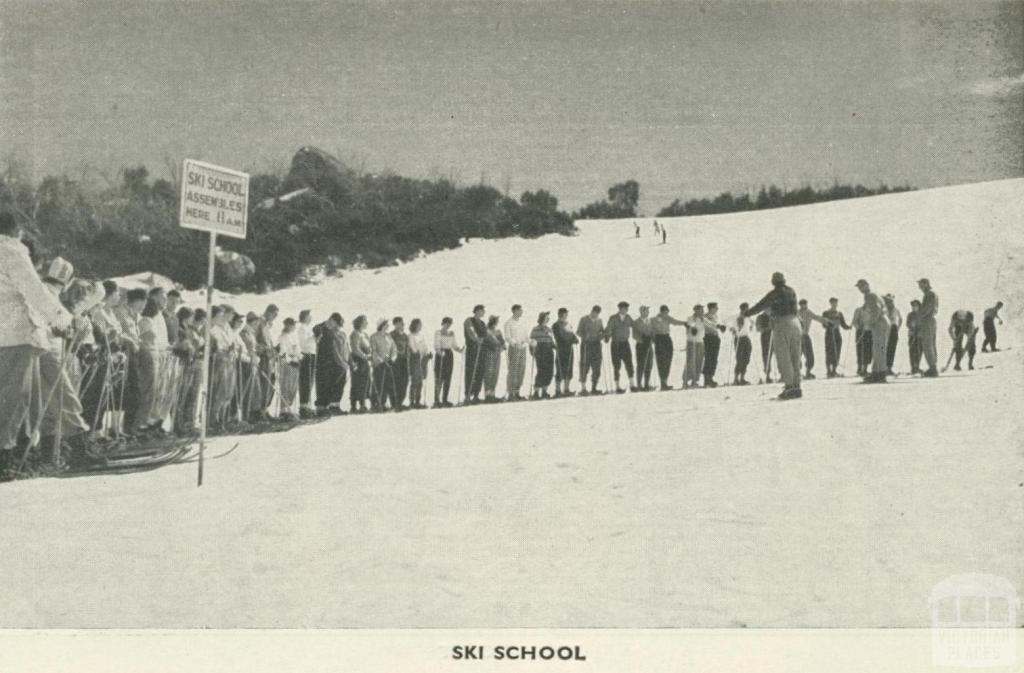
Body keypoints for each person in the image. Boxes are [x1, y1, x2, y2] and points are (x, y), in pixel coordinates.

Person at [743, 272, 802, 400]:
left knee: (784, 355)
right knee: (795, 356)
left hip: (781, 323)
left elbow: (761, 305)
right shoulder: (791, 291)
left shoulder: (774, 293)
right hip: (796, 322)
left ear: (773, 282)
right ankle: (797, 386)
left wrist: (747, 313)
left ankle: (789, 386)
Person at [855, 279, 890, 383]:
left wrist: (871, 323)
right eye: (859, 287)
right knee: (879, 348)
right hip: (883, 321)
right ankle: (878, 372)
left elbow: (876, 310)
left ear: (866, 285)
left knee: (878, 349)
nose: (860, 289)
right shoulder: (875, 294)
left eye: (861, 286)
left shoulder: (869, 296)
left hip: (879, 322)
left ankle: (879, 374)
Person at [315, 313, 350, 416]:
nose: (337, 326)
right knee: (323, 385)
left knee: (335, 385)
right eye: (336, 324)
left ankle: (334, 406)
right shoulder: (319, 328)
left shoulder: (333, 331)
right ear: (331, 320)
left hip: (334, 363)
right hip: (322, 362)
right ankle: (321, 408)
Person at [652, 305, 687, 390]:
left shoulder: (668, 318)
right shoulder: (654, 319)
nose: (666, 313)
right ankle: (662, 383)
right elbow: (652, 330)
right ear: (660, 312)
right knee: (661, 361)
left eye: (667, 312)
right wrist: (654, 339)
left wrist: (684, 323)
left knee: (668, 360)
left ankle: (665, 382)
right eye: (664, 312)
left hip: (667, 338)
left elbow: (675, 322)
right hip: (659, 338)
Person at [604, 301, 636, 393]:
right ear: (620, 309)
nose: (626, 310)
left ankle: (632, 385)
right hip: (616, 345)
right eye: (624, 308)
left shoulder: (628, 317)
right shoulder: (613, 318)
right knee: (617, 366)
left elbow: (634, 325)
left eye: (627, 308)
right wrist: (607, 337)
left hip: (625, 344)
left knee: (629, 364)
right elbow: (609, 329)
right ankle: (617, 387)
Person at [256, 304, 280, 416]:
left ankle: (265, 409)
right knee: (264, 383)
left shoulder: (267, 325)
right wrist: (265, 349)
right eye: (274, 314)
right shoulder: (260, 323)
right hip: (263, 358)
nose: (275, 316)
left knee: (271, 382)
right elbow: (257, 341)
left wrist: (274, 349)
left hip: (270, 358)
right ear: (268, 312)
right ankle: (260, 410)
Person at [433, 317, 462, 408]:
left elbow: (454, 344)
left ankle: (445, 399)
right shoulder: (438, 332)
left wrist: (459, 349)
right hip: (441, 354)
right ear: (443, 323)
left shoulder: (451, 333)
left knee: (448, 377)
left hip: (449, 354)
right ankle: (436, 400)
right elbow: (436, 344)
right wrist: (439, 352)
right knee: (439, 376)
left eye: (450, 324)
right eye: (447, 323)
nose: (448, 325)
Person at [277, 317, 303, 420]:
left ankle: (289, 408)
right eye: (292, 325)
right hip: (286, 363)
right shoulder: (282, 337)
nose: (294, 326)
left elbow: (297, 349)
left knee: (293, 386)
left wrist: (299, 357)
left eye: (294, 324)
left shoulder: (293, 336)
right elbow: (282, 352)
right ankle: (284, 410)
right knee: (286, 385)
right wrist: (290, 360)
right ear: (287, 325)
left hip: (294, 363)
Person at [503, 304, 530, 401]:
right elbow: (507, 337)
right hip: (514, 348)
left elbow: (526, 336)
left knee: (521, 370)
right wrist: (515, 343)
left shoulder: (522, 322)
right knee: (513, 370)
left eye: (521, 310)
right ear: (514, 311)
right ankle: (511, 393)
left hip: (523, 348)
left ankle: (517, 392)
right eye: (519, 310)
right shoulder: (508, 323)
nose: (521, 312)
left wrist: (530, 341)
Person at [370, 318, 397, 412]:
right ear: (381, 325)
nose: (388, 326)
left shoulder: (388, 336)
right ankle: (376, 404)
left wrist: (389, 359)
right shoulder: (374, 336)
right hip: (378, 365)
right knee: (378, 384)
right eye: (386, 324)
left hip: (387, 364)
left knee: (388, 384)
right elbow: (373, 351)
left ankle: (385, 404)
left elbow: (392, 349)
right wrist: (381, 361)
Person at [577, 305, 605, 395]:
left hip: (596, 345)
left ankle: (594, 388)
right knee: (585, 365)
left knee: (596, 366)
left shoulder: (599, 320)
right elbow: (578, 332)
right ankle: (583, 388)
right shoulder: (584, 319)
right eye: (594, 312)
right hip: (586, 345)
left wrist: (603, 336)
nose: (595, 314)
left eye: (597, 313)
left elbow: (602, 331)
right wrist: (585, 336)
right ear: (592, 311)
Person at [820, 297, 852, 378]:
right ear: (830, 303)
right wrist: (829, 325)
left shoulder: (839, 313)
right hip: (829, 334)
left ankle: (834, 370)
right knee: (829, 352)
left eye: (836, 303)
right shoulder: (825, 313)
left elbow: (843, 324)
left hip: (837, 334)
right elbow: (823, 325)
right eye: (833, 303)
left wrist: (849, 327)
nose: (834, 304)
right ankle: (828, 371)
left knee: (837, 351)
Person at [552, 308, 579, 397]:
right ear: (560, 314)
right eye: (564, 314)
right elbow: (558, 337)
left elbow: (572, 334)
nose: (565, 315)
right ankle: (558, 390)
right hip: (561, 349)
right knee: (560, 368)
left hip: (569, 350)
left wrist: (575, 339)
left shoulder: (568, 324)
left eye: (566, 314)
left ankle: (566, 389)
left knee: (569, 368)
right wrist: (568, 341)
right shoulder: (556, 325)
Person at [463, 305, 487, 404]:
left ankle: (476, 395)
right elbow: (471, 332)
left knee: (480, 371)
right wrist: (477, 340)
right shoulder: (469, 320)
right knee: (471, 371)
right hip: (472, 349)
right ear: (477, 311)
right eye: (482, 310)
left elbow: (485, 334)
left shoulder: (482, 323)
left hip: (481, 349)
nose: (483, 312)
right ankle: (468, 395)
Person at [796, 299, 826, 379]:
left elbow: (817, 317)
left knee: (809, 355)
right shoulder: (796, 313)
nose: (803, 306)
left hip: (805, 335)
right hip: (797, 337)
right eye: (802, 304)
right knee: (797, 355)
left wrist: (826, 321)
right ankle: (797, 372)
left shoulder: (808, 312)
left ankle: (808, 371)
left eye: (804, 304)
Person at [297, 309, 318, 419]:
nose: (311, 318)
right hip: (306, 355)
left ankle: (307, 405)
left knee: (310, 381)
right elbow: (303, 343)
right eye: (309, 316)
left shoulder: (308, 328)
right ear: (305, 317)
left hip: (311, 354)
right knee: (306, 380)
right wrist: (313, 337)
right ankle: (303, 406)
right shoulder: (301, 328)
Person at [529, 312, 556, 399]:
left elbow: (551, 340)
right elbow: (532, 341)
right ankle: (536, 392)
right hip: (540, 351)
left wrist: (554, 346)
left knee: (549, 371)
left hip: (549, 351)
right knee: (541, 371)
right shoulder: (535, 329)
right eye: (546, 317)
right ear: (542, 318)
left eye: (548, 318)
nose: (548, 319)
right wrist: (532, 351)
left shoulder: (549, 329)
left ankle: (544, 391)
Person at [406, 319, 432, 409]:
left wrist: (428, 353)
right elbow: (412, 346)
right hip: (415, 359)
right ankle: (412, 401)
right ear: (415, 325)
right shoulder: (411, 335)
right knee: (415, 380)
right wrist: (416, 352)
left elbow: (425, 346)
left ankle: (418, 401)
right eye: (419, 324)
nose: (420, 326)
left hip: (422, 359)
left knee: (421, 380)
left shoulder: (421, 335)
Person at [349, 315, 373, 413]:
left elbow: (369, 347)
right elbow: (355, 349)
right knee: (357, 382)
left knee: (365, 381)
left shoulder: (365, 334)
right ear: (360, 322)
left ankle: (363, 404)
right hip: (357, 360)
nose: (367, 323)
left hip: (365, 361)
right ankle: (354, 406)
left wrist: (369, 353)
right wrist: (365, 356)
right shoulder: (355, 334)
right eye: (365, 321)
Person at [917, 278, 939, 377]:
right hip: (930, 320)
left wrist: (919, 317)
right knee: (930, 344)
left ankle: (932, 368)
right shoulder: (930, 294)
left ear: (926, 284)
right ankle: (932, 366)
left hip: (927, 320)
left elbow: (927, 309)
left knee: (927, 344)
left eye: (921, 285)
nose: (919, 287)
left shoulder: (929, 294)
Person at [701, 302, 726, 387]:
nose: (717, 309)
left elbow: (720, 323)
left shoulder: (716, 316)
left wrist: (722, 327)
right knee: (709, 358)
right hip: (709, 338)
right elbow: (707, 323)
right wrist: (718, 326)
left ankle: (711, 378)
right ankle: (706, 380)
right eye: (716, 308)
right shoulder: (705, 316)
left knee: (714, 359)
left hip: (715, 337)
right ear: (711, 308)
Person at [482, 315, 506, 403]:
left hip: (497, 353)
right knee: (489, 372)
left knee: (495, 372)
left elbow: (502, 341)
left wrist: (503, 346)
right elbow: (486, 342)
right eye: (495, 321)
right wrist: (497, 346)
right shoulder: (486, 331)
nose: (496, 323)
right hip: (489, 353)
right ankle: (487, 395)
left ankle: (492, 394)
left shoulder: (497, 331)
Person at [729, 304, 754, 385]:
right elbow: (727, 322)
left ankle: (742, 378)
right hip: (739, 338)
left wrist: (751, 326)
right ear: (743, 309)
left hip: (746, 337)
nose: (748, 310)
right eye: (747, 309)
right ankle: (736, 378)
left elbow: (751, 323)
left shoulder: (748, 317)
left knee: (746, 358)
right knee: (739, 358)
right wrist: (732, 328)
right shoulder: (737, 317)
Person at [632, 305, 655, 391]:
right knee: (641, 364)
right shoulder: (636, 322)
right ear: (642, 312)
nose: (648, 312)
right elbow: (634, 335)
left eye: (648, 311)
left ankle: (646, 384)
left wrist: (653, 338)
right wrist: (642, 340)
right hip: (641, 345)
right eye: (646, 311)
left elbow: (652, 331)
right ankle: (639, 384)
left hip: (649, 344)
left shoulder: (650, 321)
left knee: (649, 364)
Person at [682, 304, 705, 389]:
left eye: (703, 310)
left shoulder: (703, 319)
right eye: (701, 310)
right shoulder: (691, 318)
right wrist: (692, 329)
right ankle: (685, 381)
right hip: (692, 342)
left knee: (699, 361)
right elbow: (690, 324)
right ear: (696, 310)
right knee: (690, 361)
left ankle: (695, 381)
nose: (702, 311)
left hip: (700, 342)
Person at [390, 317, 411, 411]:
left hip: (404, 361)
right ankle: (394, 404)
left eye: (403, 323)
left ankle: (400, 403)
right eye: (401, 323)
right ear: (396, 324)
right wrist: (387, 360)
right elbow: (387, 349)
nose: (403, 325)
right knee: (395, 382)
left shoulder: (405, 336)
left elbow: (407, 349)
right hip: (394, 361)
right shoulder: (391, 335)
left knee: (405, 381)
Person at [883, 294, 902, 376]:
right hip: (886, 328)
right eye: (888, 301)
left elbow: (901, 319)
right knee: (884, 348)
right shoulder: (883, 309)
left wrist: (897, 327)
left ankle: (889, 367)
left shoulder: (896, 309)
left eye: (891, 301)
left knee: (892, 348)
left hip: (893, 328)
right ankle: (883, 367)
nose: (889, 302)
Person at [852, 305, 873, 377]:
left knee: (868, 350)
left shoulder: (873, 310)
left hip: (870, 332)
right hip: (861, 332)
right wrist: (859, 327)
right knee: (860, 350)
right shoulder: (859, 309)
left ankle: (865, 369)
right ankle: (859, 368)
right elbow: (854, 321)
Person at [755, 311, 774, 383]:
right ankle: (767, 375)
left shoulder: (773, 315)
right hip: (765, 336)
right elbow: (758, 328)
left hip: (775, 335)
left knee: (780, 353)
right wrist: (767, 328)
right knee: (766, 355)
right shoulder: (760, 317)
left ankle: (783, 374)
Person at [906, 299, 922, 375]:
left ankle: (917, 366)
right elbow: (908, 324)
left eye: (915, 306)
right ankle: (913, 367)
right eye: (912, 306)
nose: (914, 307)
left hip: (919, 335)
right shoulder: (910, 315)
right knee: (912, 351)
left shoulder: (921, 314)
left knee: (919, 351)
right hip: (912, 335)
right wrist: (912, 327)